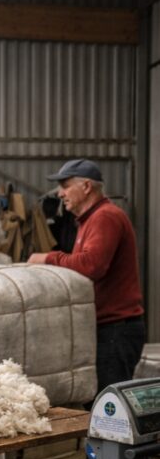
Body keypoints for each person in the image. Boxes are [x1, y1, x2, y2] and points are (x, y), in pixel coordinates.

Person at [27, 159, 145, 392]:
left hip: (116, 331)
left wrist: (48, 258)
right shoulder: (89, 221)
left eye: (65, 185)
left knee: (111, 409)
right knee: (101, 404)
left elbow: (92, 265)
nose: (60, 193)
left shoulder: (105, 217)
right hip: (105, 329)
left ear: (87, 186)